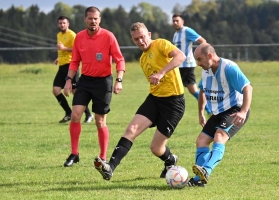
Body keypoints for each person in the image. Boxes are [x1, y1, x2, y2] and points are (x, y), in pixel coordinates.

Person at [94, 22, 186, 181]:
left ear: (149, 34)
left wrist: (162, 73)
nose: (140, 41)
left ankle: (170, 160)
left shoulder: (161, 44)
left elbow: (181, 56)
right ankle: (110, 167)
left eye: (142, 37)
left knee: (156, 148)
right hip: (154, 99)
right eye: (136, 39)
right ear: (133, 40)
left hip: (173, 103)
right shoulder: (143, 59)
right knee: (131, 129)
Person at [62, 7, 125, 167]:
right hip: (85, 81)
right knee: (76, 114)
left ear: (100, 20)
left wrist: (119, 80)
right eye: (90, 18)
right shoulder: (79, 37)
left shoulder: (108, 36)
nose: (93, 21)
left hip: (103, 82)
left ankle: (103, 157)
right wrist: (69, 80)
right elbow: (75, 61)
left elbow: (120, 59)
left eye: (96, 18)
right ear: (85, 20)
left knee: (100, 121)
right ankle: (74, 154)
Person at [187, 43, 253, 187]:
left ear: (209, 55)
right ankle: (199, 180)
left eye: (199, 59)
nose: (198, 63)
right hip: (218, 112)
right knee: (201, 141)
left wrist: (243, 111)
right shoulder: (206, 70)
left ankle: (205, 171)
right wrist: (200, 113)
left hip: (235, 109)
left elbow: (247, 87)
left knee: (219, 136)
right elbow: (203, 91)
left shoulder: (229, 68)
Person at [53, 16, 93, 123]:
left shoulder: (72, 35)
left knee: (76, 92)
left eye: (64, 23)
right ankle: (68, 113)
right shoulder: (59, 35)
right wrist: (58, 58)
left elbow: (78, 49)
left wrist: (64, 49)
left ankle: (89, 114)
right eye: (60, 23)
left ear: (68, 24)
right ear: (58, 24)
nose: (62, 25)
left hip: (71, 66)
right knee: (56, 90)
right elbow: (63, 51)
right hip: (62, 66)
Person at [172, 13, 211, 114]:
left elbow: (203, 41)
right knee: (175, 88)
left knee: (192, 89)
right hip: (178, 65)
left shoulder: (187, 31)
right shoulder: (176, 34)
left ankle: (209, 108)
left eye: (177, 21)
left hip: (187, 65)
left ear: (182, 21)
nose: (175, 23)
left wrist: (201, 56)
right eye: (173, 21)